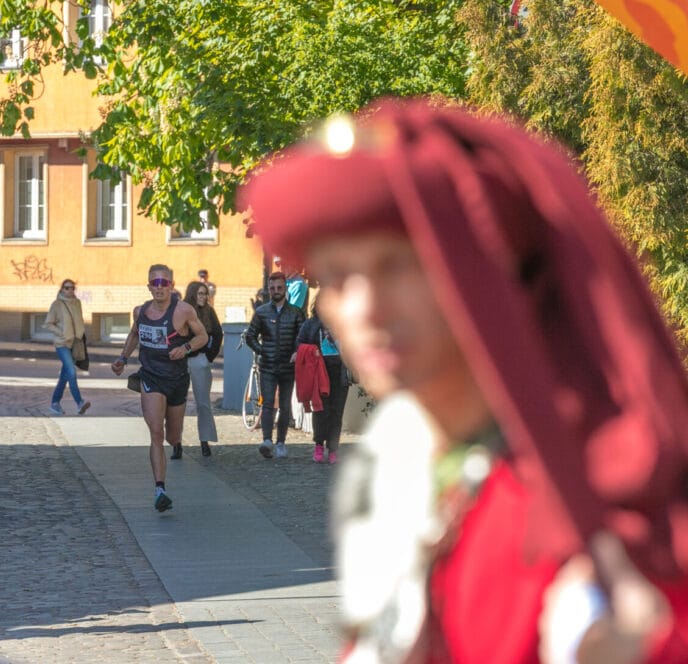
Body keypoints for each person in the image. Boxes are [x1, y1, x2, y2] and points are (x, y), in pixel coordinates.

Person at [245, 99, 688, 663]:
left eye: (398, 266)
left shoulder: (585, 504)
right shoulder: (409, 461)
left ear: (481, 274)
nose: (365, 307)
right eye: (336, 277)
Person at [111, 265, 208, 512]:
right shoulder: (140, 311)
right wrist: (123, 358)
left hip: (176, 380)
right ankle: (160, 488)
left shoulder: (183, 310)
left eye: (164, 283)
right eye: (154, 283)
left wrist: (185, 349)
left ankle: (175, 444)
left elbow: (203, 337)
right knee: (155, 432)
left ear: (171, 285)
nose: (159, 287)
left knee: (171, 436)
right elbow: (134, 334)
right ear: (148, 286)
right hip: (151, 377)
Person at [243, 271, 305, 459]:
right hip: (268, 366)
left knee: (285, 405)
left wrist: (296, 352)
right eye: (272, 288)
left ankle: (281, 443)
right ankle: (267, 440)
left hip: (288, 366)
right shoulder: (262, 312)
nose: (276, 291)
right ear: (268, 290)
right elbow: (250, 336)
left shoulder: (295, 313)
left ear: (285, 288)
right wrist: (262, 350)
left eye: (279, 287)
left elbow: (301, 337)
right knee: (268, 403)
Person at [294, 296, 350, 465]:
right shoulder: (311, 325)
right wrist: (312, 351)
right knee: (320, 410)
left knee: (336, 412)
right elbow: (299, 344)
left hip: (339, 372)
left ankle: (333, 449)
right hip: (319, 372)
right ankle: (319, 445)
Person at [183, 281, 223, 457]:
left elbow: (218, 333)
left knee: (203, 403)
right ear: (192, 294)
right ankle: (176, 443)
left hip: (200, 360)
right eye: (200, 293)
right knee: (177, 403)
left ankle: (205, 440)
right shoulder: (183, 310)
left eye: (205, 294)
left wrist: (208, 356)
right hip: (182, 361)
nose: (203, 297)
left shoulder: (209, 312)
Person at [43, 279, 91, 415]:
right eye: (67, 288)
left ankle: (55, 403)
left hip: (75, 344)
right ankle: (79, 402)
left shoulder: (77, 303)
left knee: (64, 376)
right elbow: (48, 323)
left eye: (72, 288)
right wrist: (62, 333)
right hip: (62, 344)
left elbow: (79, 320)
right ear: (62, 289)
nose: (70, 290)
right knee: (71, 372)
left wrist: (80, 334)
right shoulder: (57, 304)